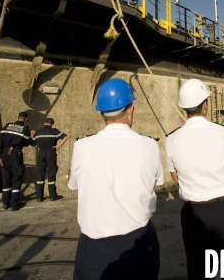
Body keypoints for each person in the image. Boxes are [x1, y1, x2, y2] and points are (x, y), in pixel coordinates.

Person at [69, 78, 163, 280]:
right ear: (131, 109)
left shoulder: (82, 147)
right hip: (139, 242)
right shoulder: (149, 146)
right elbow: (155, 183)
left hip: (94, 248)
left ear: (102, 113)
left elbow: (76, 185)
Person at [166, 78, 224, 280]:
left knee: (198, 270)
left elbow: (176, 179)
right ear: (205, 105)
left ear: (184, 108)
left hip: (194, 213)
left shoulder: (172, 138)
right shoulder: (222, 132)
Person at [0, 112, 32, 211]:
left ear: (17, 118)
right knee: (17, 176)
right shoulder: (25, 129)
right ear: (26, 119)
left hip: (4, 153)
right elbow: (26, 143)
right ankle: (14, 204)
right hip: (15, 153)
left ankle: (5, 203)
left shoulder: (7, 126)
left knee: (6, 177)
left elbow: (0, 141)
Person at [33, 118, 67, 202]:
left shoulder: (38, 132)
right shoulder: (54, 131)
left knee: (40, 174)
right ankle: (52, 196)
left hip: (41, 152)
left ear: (44, 123)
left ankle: (39, 197)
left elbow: (34, 143)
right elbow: (65, 137)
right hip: (51, 151)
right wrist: (58, 146)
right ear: (52, 124)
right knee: (51, 173)